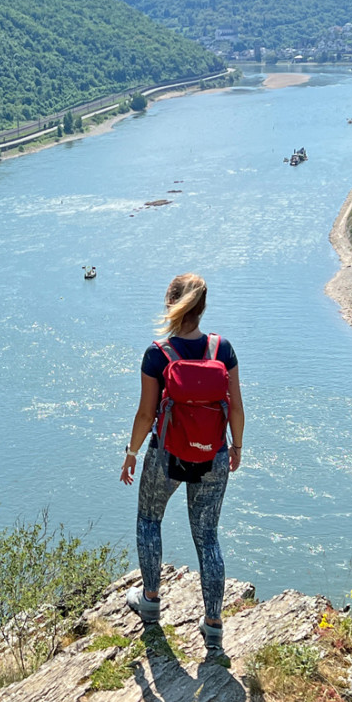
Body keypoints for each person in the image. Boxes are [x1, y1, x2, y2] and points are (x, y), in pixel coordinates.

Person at [118, 273, 244, 656]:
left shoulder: (158, 355)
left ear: (169, 303)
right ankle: (214, 625)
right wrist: (236, 446)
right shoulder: (222, 350)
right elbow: (236, 408)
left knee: (149, 519)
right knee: (207, 537)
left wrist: (131, 453)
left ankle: (151, 600)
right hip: (213, 455)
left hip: (167, 455)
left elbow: (145, 414)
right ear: (202, 307)